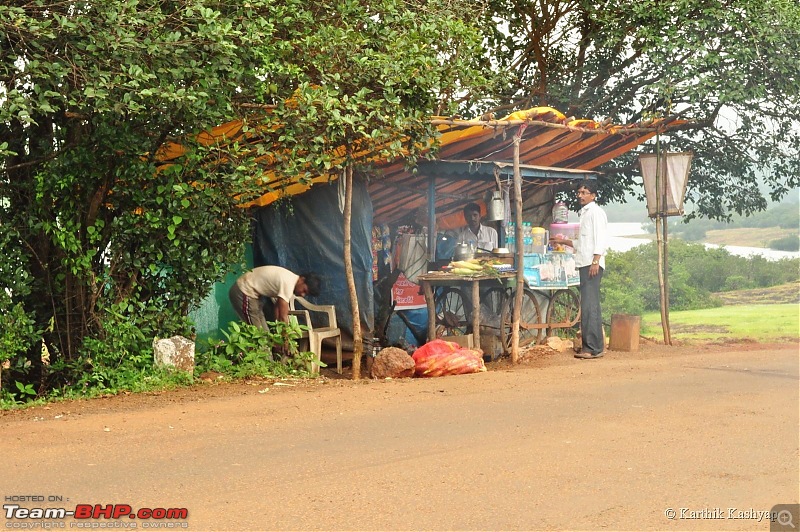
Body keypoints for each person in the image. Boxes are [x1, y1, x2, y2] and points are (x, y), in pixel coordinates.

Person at [550, 180, 608, 359]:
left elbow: (601, 238)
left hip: (592, 263)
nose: (580, 195)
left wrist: (596, 260)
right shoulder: (584, 214)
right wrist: (562, 241)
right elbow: (581, 243)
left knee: (590, 305)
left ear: (593, 195)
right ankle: (594, 346)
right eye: (579, 192)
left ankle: (591, 348)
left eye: (584, 192)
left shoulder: (595, 213)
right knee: (589, 304)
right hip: (585, 262)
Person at [228, 265, 322, 330]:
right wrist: (285, 339)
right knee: (257, 335)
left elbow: (278, 309)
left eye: (306, 294)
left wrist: (279, 334)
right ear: (302, 279)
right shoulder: (288, 283)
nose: (302, 295)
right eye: (304, 290)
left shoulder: (290, 280)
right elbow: (283, 317)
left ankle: (268, 358)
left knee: (265, 335)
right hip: (244, 290)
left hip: (254, 296)